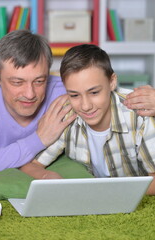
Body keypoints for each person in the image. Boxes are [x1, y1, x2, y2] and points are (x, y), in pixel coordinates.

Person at [21, 44, 155, 195]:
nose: (85, 106)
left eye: (94, 92)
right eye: (74, 95)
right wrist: (47, 176)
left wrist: (107, 192)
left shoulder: (139, 114)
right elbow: (31, 164)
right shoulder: (66, 116)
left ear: (112, 82)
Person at [0, 30, 77, 173]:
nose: (30, 94)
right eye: (17, 82)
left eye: (39, 81)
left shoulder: (65, 92)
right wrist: (39, 139)